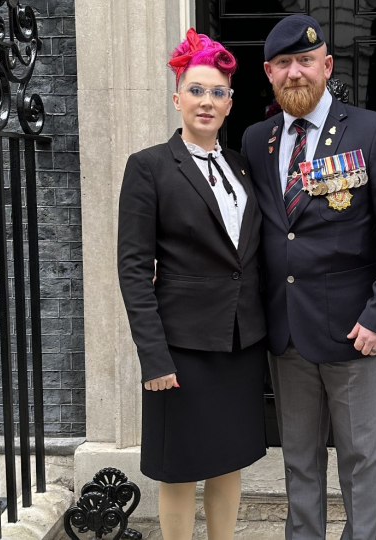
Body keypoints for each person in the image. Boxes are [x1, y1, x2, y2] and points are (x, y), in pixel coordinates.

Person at [241, 14, 376, 540]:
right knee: (298, 460)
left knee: (361, 460)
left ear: (326, 66)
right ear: (269, 73)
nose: (294, 73)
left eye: (304, 62)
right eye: (283, 64)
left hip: (355, 332)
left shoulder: (371, 130)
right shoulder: (257, 140)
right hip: (287, 332)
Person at [117, 28, 267, 540]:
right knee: (179, 468)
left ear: (230, 103)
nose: (207, 101)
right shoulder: (149, 168)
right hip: (180, 347)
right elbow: (134, 270)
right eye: (197, 90)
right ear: (178, 97)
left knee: (229, 461)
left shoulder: (245, 168)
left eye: (218, 92)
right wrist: (153, 358)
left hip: (240, 343)